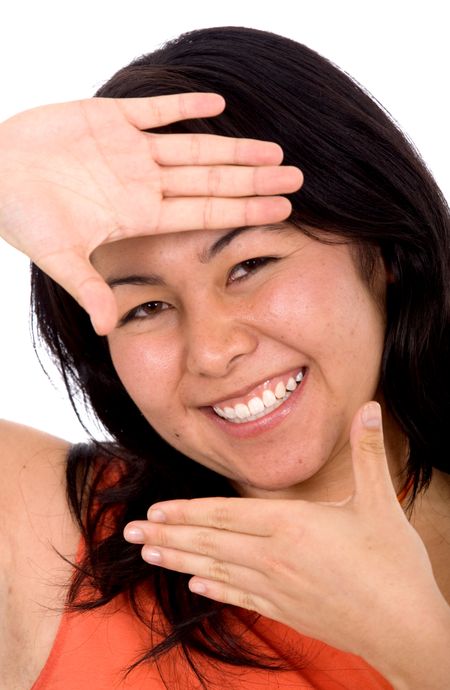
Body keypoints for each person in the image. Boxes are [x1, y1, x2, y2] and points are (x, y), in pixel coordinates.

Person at [0, 25, 449, 690]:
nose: (212, 352)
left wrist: (416, 642)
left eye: (250, 265)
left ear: (381, 251)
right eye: (145, 308)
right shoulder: (52, 541)